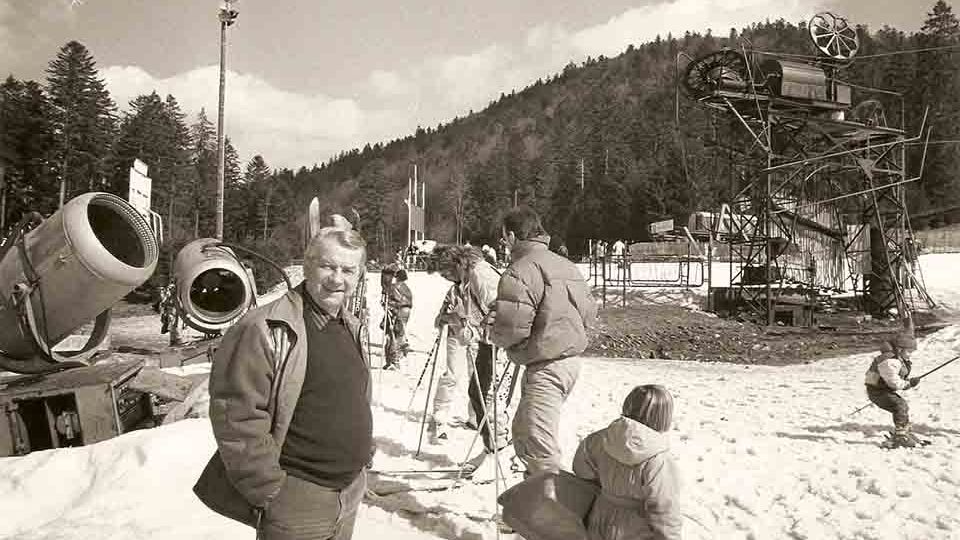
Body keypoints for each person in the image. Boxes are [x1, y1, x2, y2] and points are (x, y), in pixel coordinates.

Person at [193, 216, 372, 540]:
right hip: (296, 501)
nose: (337, 280)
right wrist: (270, 491)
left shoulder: (351, 326)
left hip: (349, 493)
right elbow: (236, 415)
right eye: (328, 267)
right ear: (307, 266)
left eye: (348, 271)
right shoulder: (265, 328)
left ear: (358, 276)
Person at [491, 205, 597, 477]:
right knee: (525, 433)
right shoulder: (566, 265)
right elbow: (589, 311)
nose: (504, 243)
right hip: (569, 362)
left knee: (540, 447)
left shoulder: (520, 270)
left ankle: (548, 511)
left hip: (546, 365)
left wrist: (495, 331)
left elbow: (513, 328)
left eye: (504, 237)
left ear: (512, 236)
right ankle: (533, 500)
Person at [428, 244, 510, 467]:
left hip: (500, 342)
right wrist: (456, 321)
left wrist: (489, 332)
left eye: (445, 272)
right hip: (487, 341)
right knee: (477, 393)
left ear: (455, 264)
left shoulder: (479, 273)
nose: (446, 278)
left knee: (489, 395)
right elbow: (473, 321)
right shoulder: (465, 281)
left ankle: (499, 449)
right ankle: (492, 446)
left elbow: (500, 307)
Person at [572, 385, 683, 540]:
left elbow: (582, 470)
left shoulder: (599, 439)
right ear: (663, 416)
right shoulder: (658, 458)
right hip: (637, 527)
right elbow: (664, 508)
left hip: (600, 516)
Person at [864, 330, 922, 448]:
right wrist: (908, 384)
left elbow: (895, 378)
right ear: (900, 349)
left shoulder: (896, 359)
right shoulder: (889, 361)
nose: (910, 354)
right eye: (909, 351)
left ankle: (904, 431)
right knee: (899, 405)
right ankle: (900, 435)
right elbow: (894, 382)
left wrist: (907, 382)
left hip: (883, 390)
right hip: (877, 392)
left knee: (902, 406)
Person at [383, 267, 413, 369]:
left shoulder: (394, 287)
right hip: (406, 311)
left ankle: (394, 360)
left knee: (393, 335)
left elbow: (395, 300)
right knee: (399, 333)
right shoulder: (407, 288)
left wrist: (388, 304)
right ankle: (399, 353)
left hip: (398, 311)